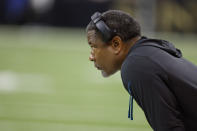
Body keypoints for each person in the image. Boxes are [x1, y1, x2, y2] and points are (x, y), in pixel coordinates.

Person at [86, 10, 197, 131]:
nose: (91, 57)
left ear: (116, 44)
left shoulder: (136, 65)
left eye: (93, 46)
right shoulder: (149, 52)